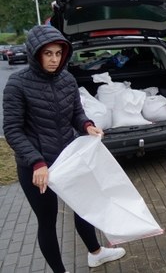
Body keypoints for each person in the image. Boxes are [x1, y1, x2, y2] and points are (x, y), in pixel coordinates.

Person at [2, 25, 126, 273]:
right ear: (35, 53)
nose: (54, 59)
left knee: (84, 206)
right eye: (48, 54)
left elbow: (76, 114)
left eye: (58, 53)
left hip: (69, 158)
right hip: (37, 167)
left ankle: (96, 253)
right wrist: (37, 162)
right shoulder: (17, 84)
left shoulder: (67, 79)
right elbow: (12, 130)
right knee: (47, 221)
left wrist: (87, 126)